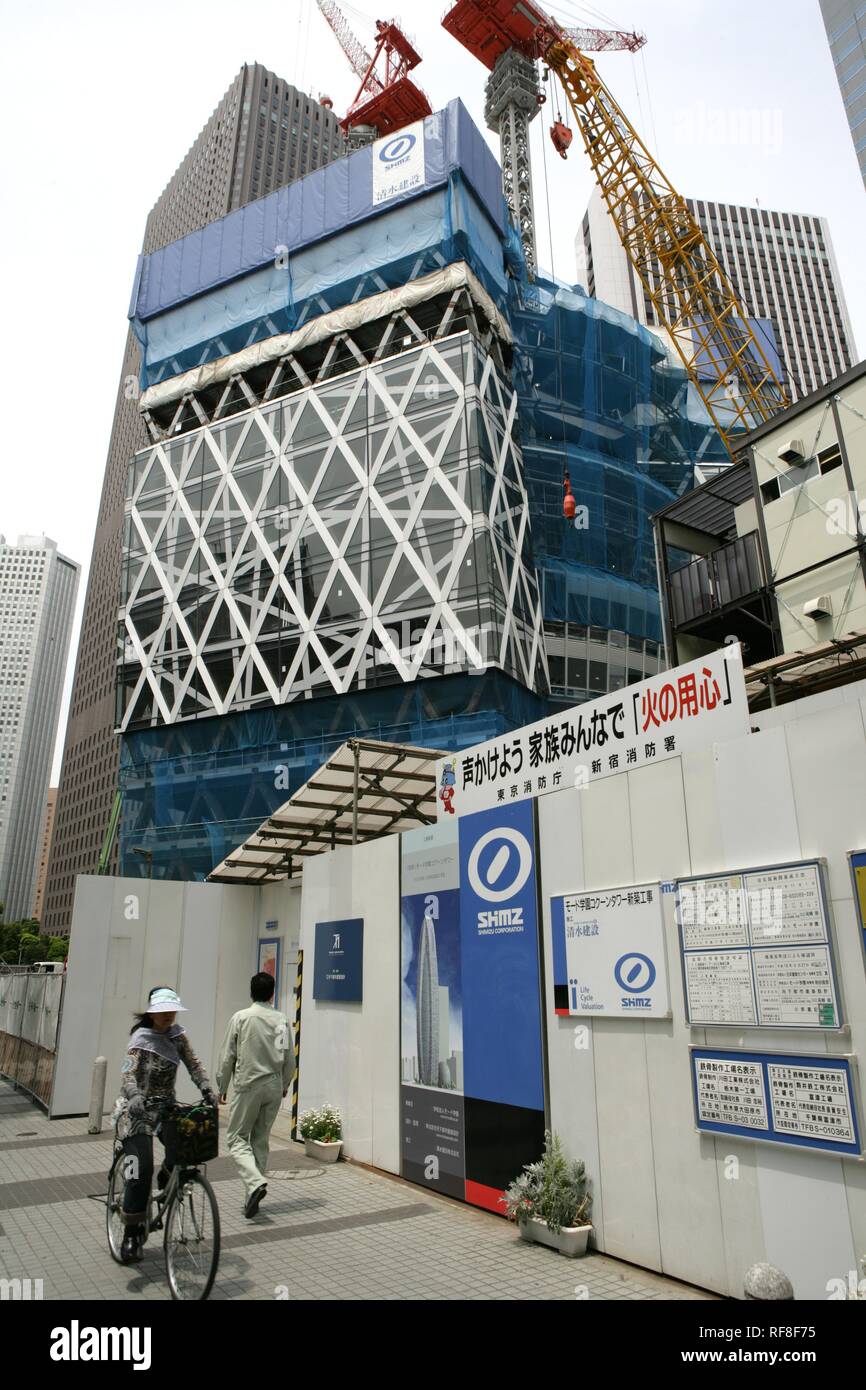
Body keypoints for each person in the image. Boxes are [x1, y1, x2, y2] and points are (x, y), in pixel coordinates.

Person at [112, 985, 218, 1264]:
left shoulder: (177, 1036)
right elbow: (127, 1072)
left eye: (172, 1010)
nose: (168, 1015)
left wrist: (206, 1086)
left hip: (166, 1108)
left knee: (187, 1148)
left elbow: (194, 1064)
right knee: (140, 1168)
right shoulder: (140, 1038)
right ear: (152, 1013)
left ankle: (168, 1176)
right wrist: (133, 1094)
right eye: (162, 1011)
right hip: (137, 1111)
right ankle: (132, 1233)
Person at [217, 972, 294, 1219]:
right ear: (272, 993)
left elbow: (228, 1055)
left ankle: (255, 1182)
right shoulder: (281, 1019)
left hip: (248, 1085)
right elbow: (290, 1057)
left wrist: (222, 1086)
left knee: (237, 1138)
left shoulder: (241, 1017)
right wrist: (284, 1083)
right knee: (260, 1140)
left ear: (251, 992)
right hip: (273, 1085)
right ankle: (253, 1193)